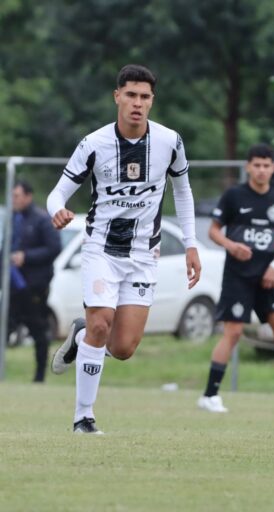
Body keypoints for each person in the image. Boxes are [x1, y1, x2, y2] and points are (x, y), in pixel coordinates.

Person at [46, 64, 201, 434]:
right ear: (117, 96)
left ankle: (81, 336)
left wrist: (192, 244)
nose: (137, 103)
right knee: (102, 322)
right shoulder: (94, 144)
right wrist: (58, 211)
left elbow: (183, 191)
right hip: (100, 249)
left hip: (145, 256)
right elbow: (56, 193)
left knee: (124, 347)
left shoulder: (169, 142)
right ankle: (83, 416)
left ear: (152, 101)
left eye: (144, 97)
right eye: (130, 95)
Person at [197, 144, 274, 413]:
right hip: (238, 277)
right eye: (257, 165)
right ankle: (210, 395)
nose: (261, 170)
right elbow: (214, 230)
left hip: (267, 279)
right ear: (248, 167)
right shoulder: (234, 196)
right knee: (234, 332)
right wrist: (231, 245)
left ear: (273, 168)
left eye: (267, 165)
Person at [7, 181, 62, 382]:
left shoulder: (41, 220)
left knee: (38, 332)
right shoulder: (13, 218)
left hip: (34, 288)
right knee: (5, 327)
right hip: (14, 287)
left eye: (18, 196)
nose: (15, 199)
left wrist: (26, 257)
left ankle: (39, 377)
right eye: (13, 196)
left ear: (28, 196)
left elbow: (54, 248)